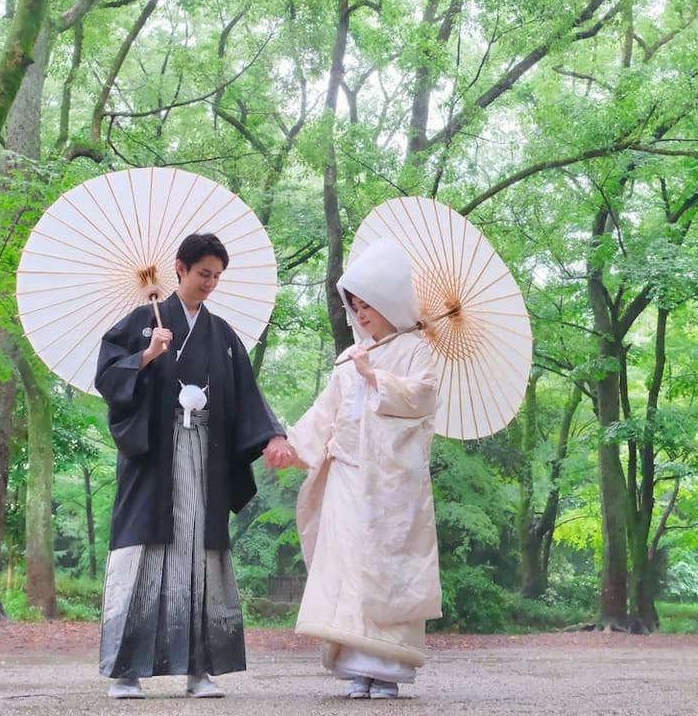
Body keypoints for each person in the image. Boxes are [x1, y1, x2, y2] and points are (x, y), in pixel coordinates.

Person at [94, 231, 292, 700]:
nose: (210, 283)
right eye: (204, 274)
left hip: (204, 456)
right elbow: (106, 378)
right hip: (153, 459)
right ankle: (126, 672)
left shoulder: (221, 334)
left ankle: (199, 670)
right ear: (179, 269)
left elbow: (246, 393)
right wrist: (146, 356)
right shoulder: (142, 322)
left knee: (200, 559)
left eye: (217, 277)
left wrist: (274, 434)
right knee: (142, 557)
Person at [265, 238, 443, 700]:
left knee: (388, 567)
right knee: (347, 562)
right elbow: (327, 413)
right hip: (347, 475)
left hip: (391, 483)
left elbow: (423, 398)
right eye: (356, 306)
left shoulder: (415, 350)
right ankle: (357, 667)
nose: (361, 315)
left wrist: (375, 377)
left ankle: (387, 668)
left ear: (389, 303)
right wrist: (290, 446)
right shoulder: (349, 358)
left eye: (369, 305)